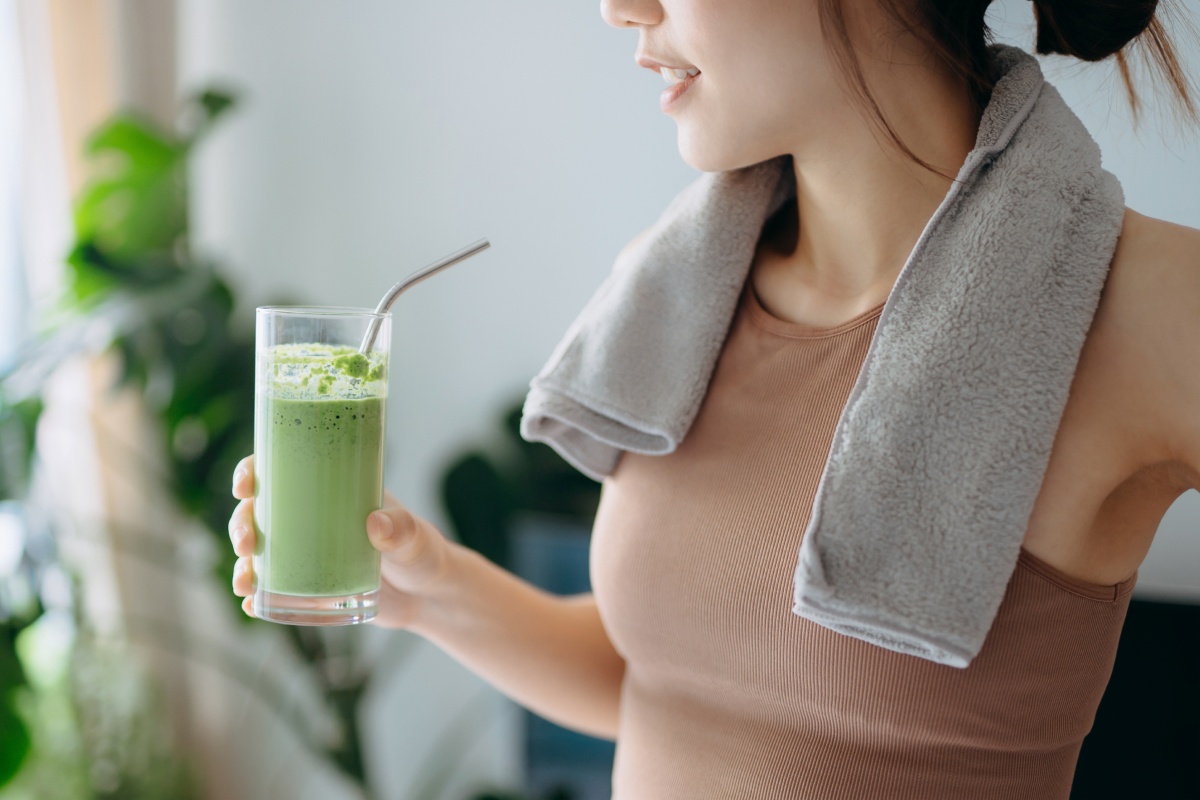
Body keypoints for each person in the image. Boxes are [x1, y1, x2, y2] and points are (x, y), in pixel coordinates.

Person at [227, 0, 1200, 796]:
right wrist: (434, 589)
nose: (619, 10)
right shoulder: (680, 304)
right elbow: (661, 684)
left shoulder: (1145, 310)